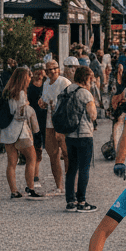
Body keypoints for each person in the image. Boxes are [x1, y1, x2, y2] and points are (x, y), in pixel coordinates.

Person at [0, 67, 45, 199]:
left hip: (7, 131)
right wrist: (29, 108)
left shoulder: (7, 92)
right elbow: (21, 114)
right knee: (32, 158)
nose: (30, 79)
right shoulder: (20, 93)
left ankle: (14, 191)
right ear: (23, 78)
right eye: (28, 77)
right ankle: (30, 187)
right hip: (20, 131)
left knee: (11, 163)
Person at [61, 66, 99, 212]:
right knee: (84, 168)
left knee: (71, 168)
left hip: (69, 134)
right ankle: (82, 201)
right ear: (86, 78)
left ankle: (70, 201)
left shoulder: (66, 90)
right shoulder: (85, 94)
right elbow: (93, 115)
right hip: (84, 134)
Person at [38, 59, 71, 196]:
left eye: (54, 68)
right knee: (52, 155)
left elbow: (70, 100)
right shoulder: (46, 83)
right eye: (49, 69)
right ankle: (59, 186)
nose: (52, 71)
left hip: (62, 123)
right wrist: (42, 103)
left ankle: (70, 186)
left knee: (66, 153)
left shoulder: (64, 82)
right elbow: (45, 100)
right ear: (45, 72)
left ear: (59, 69)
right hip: (50, 123)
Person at [27, 63, 49, 189]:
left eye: (42, 71)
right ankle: (35, 174)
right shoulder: (29, 86)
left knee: (46, 146)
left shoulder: (47, 84)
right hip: (33, 119)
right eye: (38, 71)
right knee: (36, 147)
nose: (40, 74)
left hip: (45, 118)